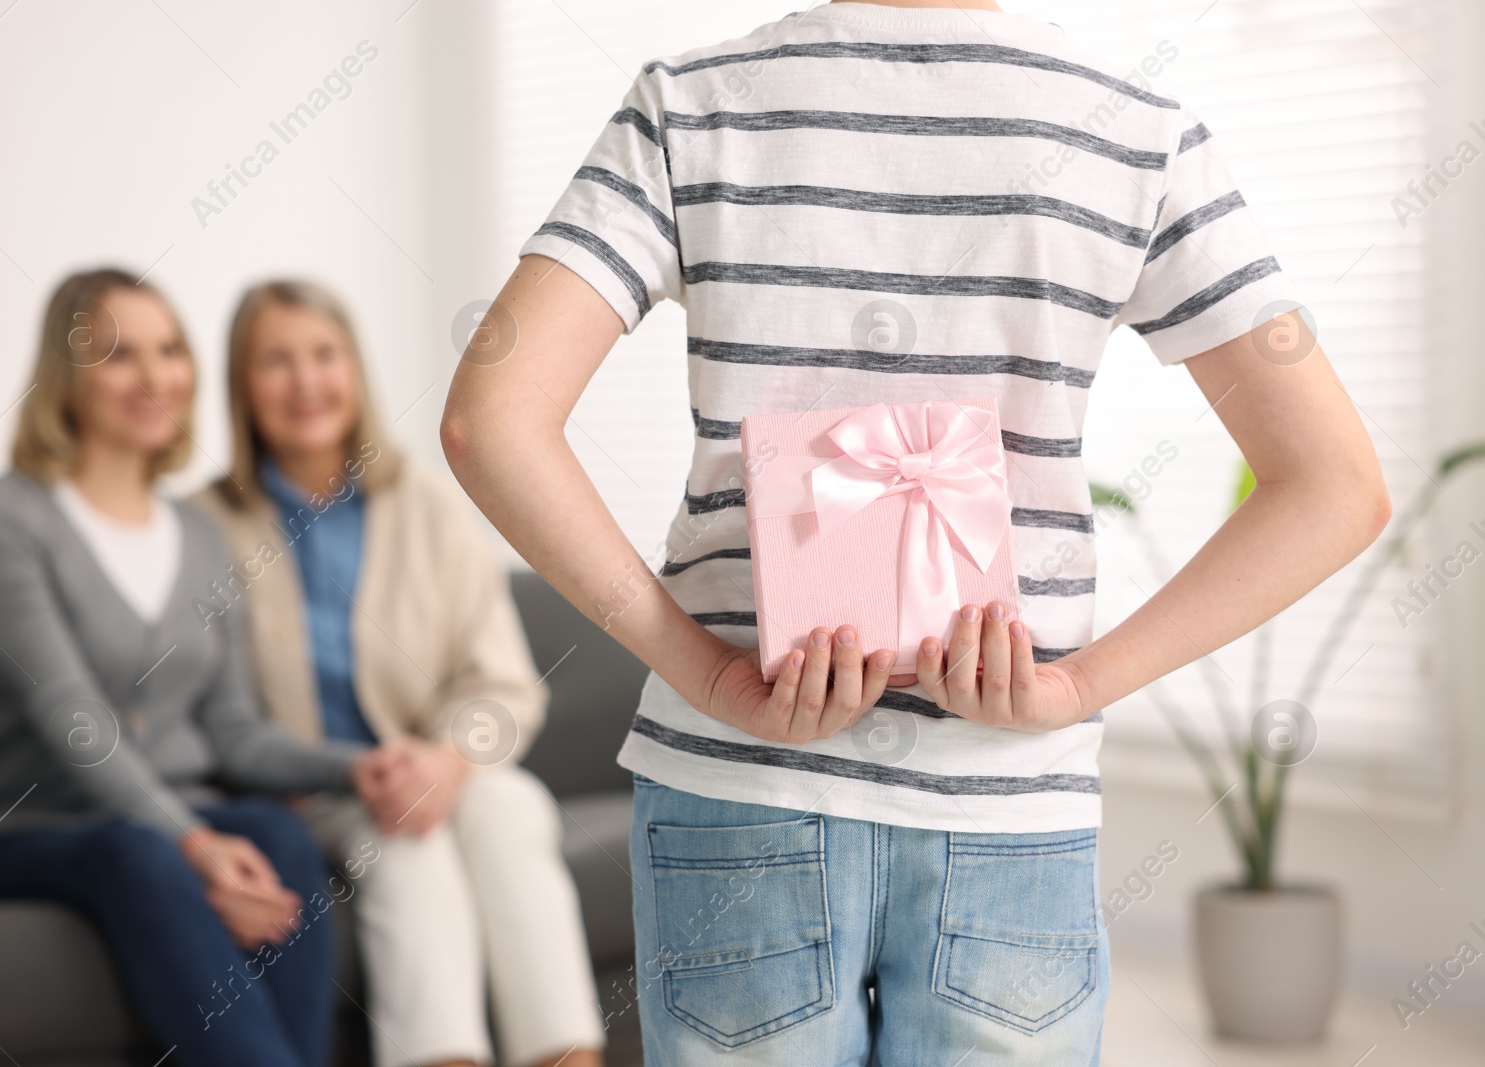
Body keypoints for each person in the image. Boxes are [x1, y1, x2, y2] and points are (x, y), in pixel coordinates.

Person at [438, 1, 1393, 1064]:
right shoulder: (1137, 130)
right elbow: (1336, 486)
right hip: (1007, 797)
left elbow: (489, 424)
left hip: (742, 784)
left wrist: (705, 673)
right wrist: (1075, 684)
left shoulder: (689, 105)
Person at [0, 267, 422, 1067]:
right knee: (140, 852)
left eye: (169, 350)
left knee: (278, 830)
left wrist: (359, 766)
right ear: (68, 374)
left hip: (174, 822)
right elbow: (75, 719)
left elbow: (233, 732)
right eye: (119, 354)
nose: (154, 376)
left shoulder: (201, 535)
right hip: (33, 833)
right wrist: (192, 842)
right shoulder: (5, 519)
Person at [191, 279, 606, 1067]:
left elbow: (506, 684)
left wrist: (447, 761)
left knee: (513, 806)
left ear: (355, 370)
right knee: (408, 852)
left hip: (436, 771)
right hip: (308, 792)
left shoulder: (425, 505)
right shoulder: (205, 525)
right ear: (242, 386)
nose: (306, 381)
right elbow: (199, 709)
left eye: (324, 354)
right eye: (276, 361)